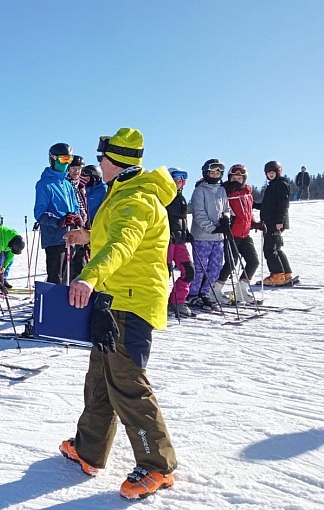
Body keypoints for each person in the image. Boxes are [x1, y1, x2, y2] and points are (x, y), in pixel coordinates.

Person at [60, 128, 177, 500]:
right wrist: (88, 236)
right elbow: (114, 236)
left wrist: (88, 276)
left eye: (102, 159)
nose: (99, 165)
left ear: (115, 162)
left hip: (132, 303)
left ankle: (157, 465)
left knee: (127, 384)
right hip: (114, 301)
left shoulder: (137, 199)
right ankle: (89, 450)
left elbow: (123, 244)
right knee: (99, 379)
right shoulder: (124, 193)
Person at [186, 159, 231, 311]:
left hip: (218, 238)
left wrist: (226, 219)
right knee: (201, 267)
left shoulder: (221, 190)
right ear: (206, 173)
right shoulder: (200, 191)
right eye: (212, 172)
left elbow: (226, 208)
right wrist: (212, 228)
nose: (215, 175)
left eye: (218, 173)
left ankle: (204, 293)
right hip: (202, 236)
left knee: (216, 267)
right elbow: (199, 214)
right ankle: (193, 294)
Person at [34, 143, 81, 284]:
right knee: (57, 278)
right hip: (55, 238)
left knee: (70, 276)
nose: (66, 164)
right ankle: (53, 305)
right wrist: (59, 221)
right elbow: (39, 213)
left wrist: (76, 218)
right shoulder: (44, 184)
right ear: (53, 159)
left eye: (69, 160)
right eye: (63, 160)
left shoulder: (67, 184)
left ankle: (65, 306)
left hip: (70, 237)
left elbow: (75, 206)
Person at [213, 164, 260, 303]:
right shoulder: (225, 191)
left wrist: (254, 223)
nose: (236, 180)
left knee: (253, 262)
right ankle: (215, 291)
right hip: (231, 233)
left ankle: (241, 291)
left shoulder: (247, 190)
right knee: (231, 263)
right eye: (234, 178)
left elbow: (248, 211)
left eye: (239, 178)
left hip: (245, 233)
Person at [254, 160, 293, 285]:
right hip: (271, 222)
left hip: (275, 222)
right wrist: (254, 205)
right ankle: (286, 274)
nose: (270, 175)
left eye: (273, 172)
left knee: (269, 249)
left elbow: (284, 204)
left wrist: (279, 221)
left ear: (278, 172)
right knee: (276, 248)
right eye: (268, 173)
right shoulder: (273, 185)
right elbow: (268, 206)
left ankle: (277, 275)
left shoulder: (281, 184)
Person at [165, 168, 195, 318]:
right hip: (167, 242)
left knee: (189, 271)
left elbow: (181, 220)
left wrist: (186, 233)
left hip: (180, 241)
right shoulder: (163, 197)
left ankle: (177, 301)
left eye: (181, 181)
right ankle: (157, 302)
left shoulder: (180, 197)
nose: (178, 183)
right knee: (165, 273)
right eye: (175, 180)